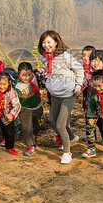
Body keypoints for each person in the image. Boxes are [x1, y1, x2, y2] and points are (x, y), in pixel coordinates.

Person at [38, 30, 84, 164]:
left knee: (60, 125)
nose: (46, 45)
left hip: (68, 94)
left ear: (56, 42)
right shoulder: (44, 57)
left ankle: (67, 153)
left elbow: (79, 69)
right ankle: (71, 137)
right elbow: (50, 71)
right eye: (44, 42)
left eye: (49, 42)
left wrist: (78, 85)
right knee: (52, 120)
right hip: (54, 94)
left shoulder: (65, 57)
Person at [81, 50, 103, 157]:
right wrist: (77, 90)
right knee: (90, 127)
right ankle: (91, 148)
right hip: (90, 106)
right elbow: (82, 84)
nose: (95, 63)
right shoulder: (87, 74)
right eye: (93, 61)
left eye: (98, 61)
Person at [14, 62, 43, 156]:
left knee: (37, 127)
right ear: (18, 74)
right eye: (23, 75)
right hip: (25, 109)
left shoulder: (34, 78)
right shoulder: (17, 85)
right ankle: (30, 146)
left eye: (28, 75)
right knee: (26, 128)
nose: (26, 78)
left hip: (37, 107)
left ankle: (33, 136)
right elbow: (15, 96)